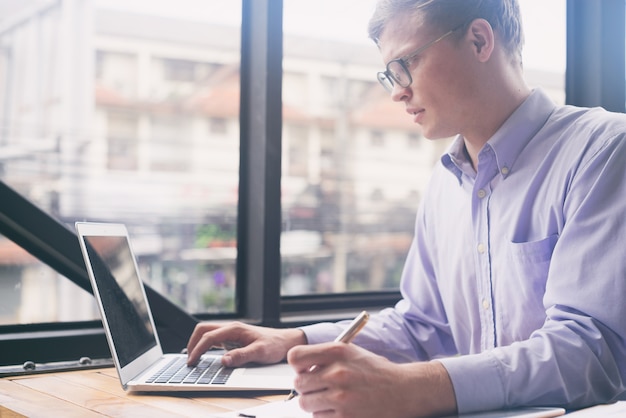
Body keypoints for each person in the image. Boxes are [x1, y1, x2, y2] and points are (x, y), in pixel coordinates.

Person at [187, 0, 626, 416]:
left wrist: (417, 388)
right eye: (389, 75)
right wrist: (294, 340)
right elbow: (423, 327)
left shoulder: (603, 152)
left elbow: (591, 350)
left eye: (406, 65)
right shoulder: (445, 184)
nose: (397, 92)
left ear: (478, 41)